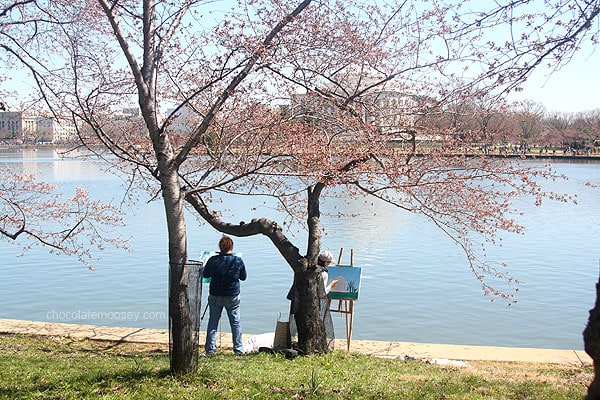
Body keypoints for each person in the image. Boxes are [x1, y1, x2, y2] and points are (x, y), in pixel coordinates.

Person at [203, 235, 247, 355]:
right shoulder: (237, 261)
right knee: (235, 322)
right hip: (232, 296)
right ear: (232, 247)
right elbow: (243, 277)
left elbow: (205, 275)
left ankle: (210, 351)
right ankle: (238, 350)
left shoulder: (212, 260)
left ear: (220, 247)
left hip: (215, 295)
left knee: (213, 322)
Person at [286, 250, 337, 350]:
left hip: (297, 300)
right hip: (311, 304)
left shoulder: (306, 268)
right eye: (329, 263)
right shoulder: (323, 274)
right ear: (326, 263)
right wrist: (331, 286)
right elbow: (321, 294)